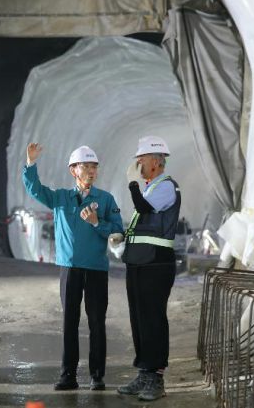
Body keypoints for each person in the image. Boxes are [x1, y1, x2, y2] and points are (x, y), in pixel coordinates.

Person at [22, 143, 123, 391]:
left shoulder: (106, 200)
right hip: (70, 268)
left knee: (97, 322)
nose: (90, 171)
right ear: (73, 171)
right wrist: (30, 164)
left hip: (97, 269)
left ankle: (97, 376)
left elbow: (119, 231)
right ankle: (68, 376)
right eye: (85, 166)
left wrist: (97, 222)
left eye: (94, 167)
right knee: (70, 321)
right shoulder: (60, 199)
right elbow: (35, 189)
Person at [117, 136, 181, 402]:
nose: (138, 165)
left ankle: (156, 378)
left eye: (141, 161)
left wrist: (132, 184)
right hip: (141, 261)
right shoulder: (151, 187)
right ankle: (144, 372)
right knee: (139, 319)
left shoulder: (166, 187)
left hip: (156, 263)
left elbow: (143, 207)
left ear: (155, 162)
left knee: (153, 319)